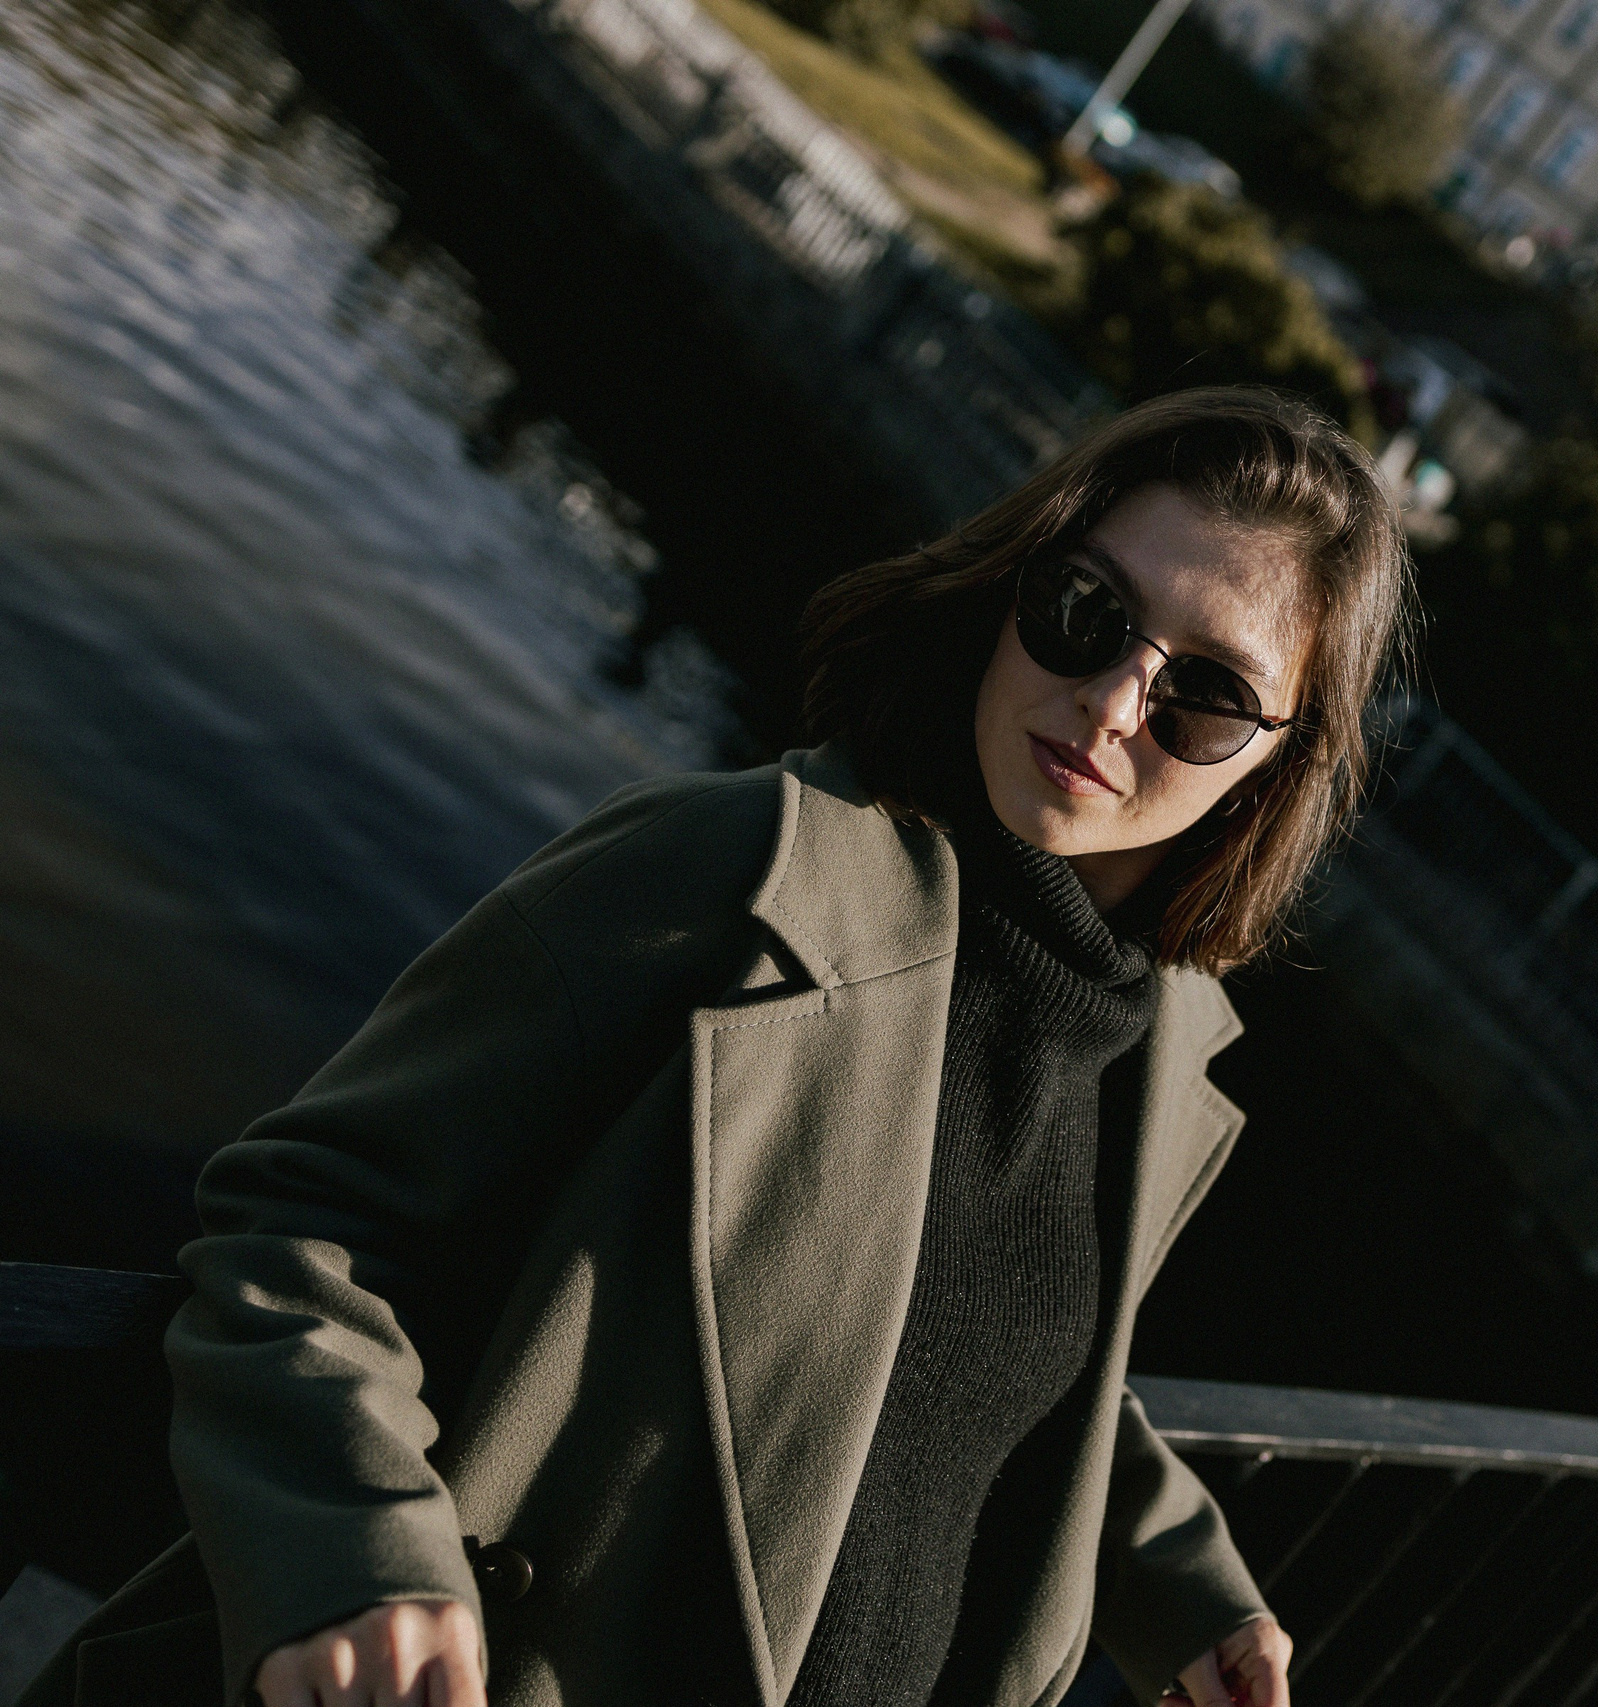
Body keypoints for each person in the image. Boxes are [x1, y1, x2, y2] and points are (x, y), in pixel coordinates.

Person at [24, 387, 1414, 1707]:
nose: (1111, 703)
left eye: (1206, 694)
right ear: (1013, 585)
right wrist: (350, 1553)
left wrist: (1181, 1583)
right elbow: (301, 1226)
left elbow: (974, 1352)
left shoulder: (1161, 1052)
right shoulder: (731, 872)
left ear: (1278, 761)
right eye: (1085, 611)